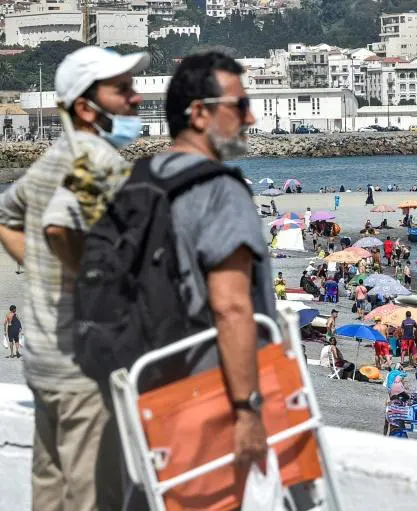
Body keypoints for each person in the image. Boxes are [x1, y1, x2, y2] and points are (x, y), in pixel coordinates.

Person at [0, 46, 150, 509]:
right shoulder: (97, 159)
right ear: (86, 108)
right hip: (84, 365)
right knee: (92, 496)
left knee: (51, 489)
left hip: (46, 358)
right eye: (121, 90)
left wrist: (48, 274)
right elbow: (61, 226)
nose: (136, 99)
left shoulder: (56, 154)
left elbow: (7, 217)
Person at [123, 51, 279, 495]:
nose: (249, 118)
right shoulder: (220, 191)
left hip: (149, 396)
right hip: (213, 401)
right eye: (239, 105)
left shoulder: (135, 180)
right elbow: (231, 306)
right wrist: (247, 410)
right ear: (198, 113)